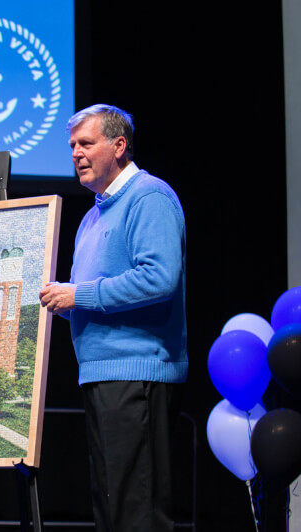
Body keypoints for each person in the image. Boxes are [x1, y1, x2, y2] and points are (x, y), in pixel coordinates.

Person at [40, 104, 187, 532]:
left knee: (137, 512)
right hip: (101, 375)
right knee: (113, 510)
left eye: (86, 143)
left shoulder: (149, 196)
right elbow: (88, 300)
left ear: (119, 145)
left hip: (137, 375)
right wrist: (56, 304)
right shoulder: (91, 216)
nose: (76, 154)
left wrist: (78, 295)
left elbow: (159, 278)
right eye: (72, 146)